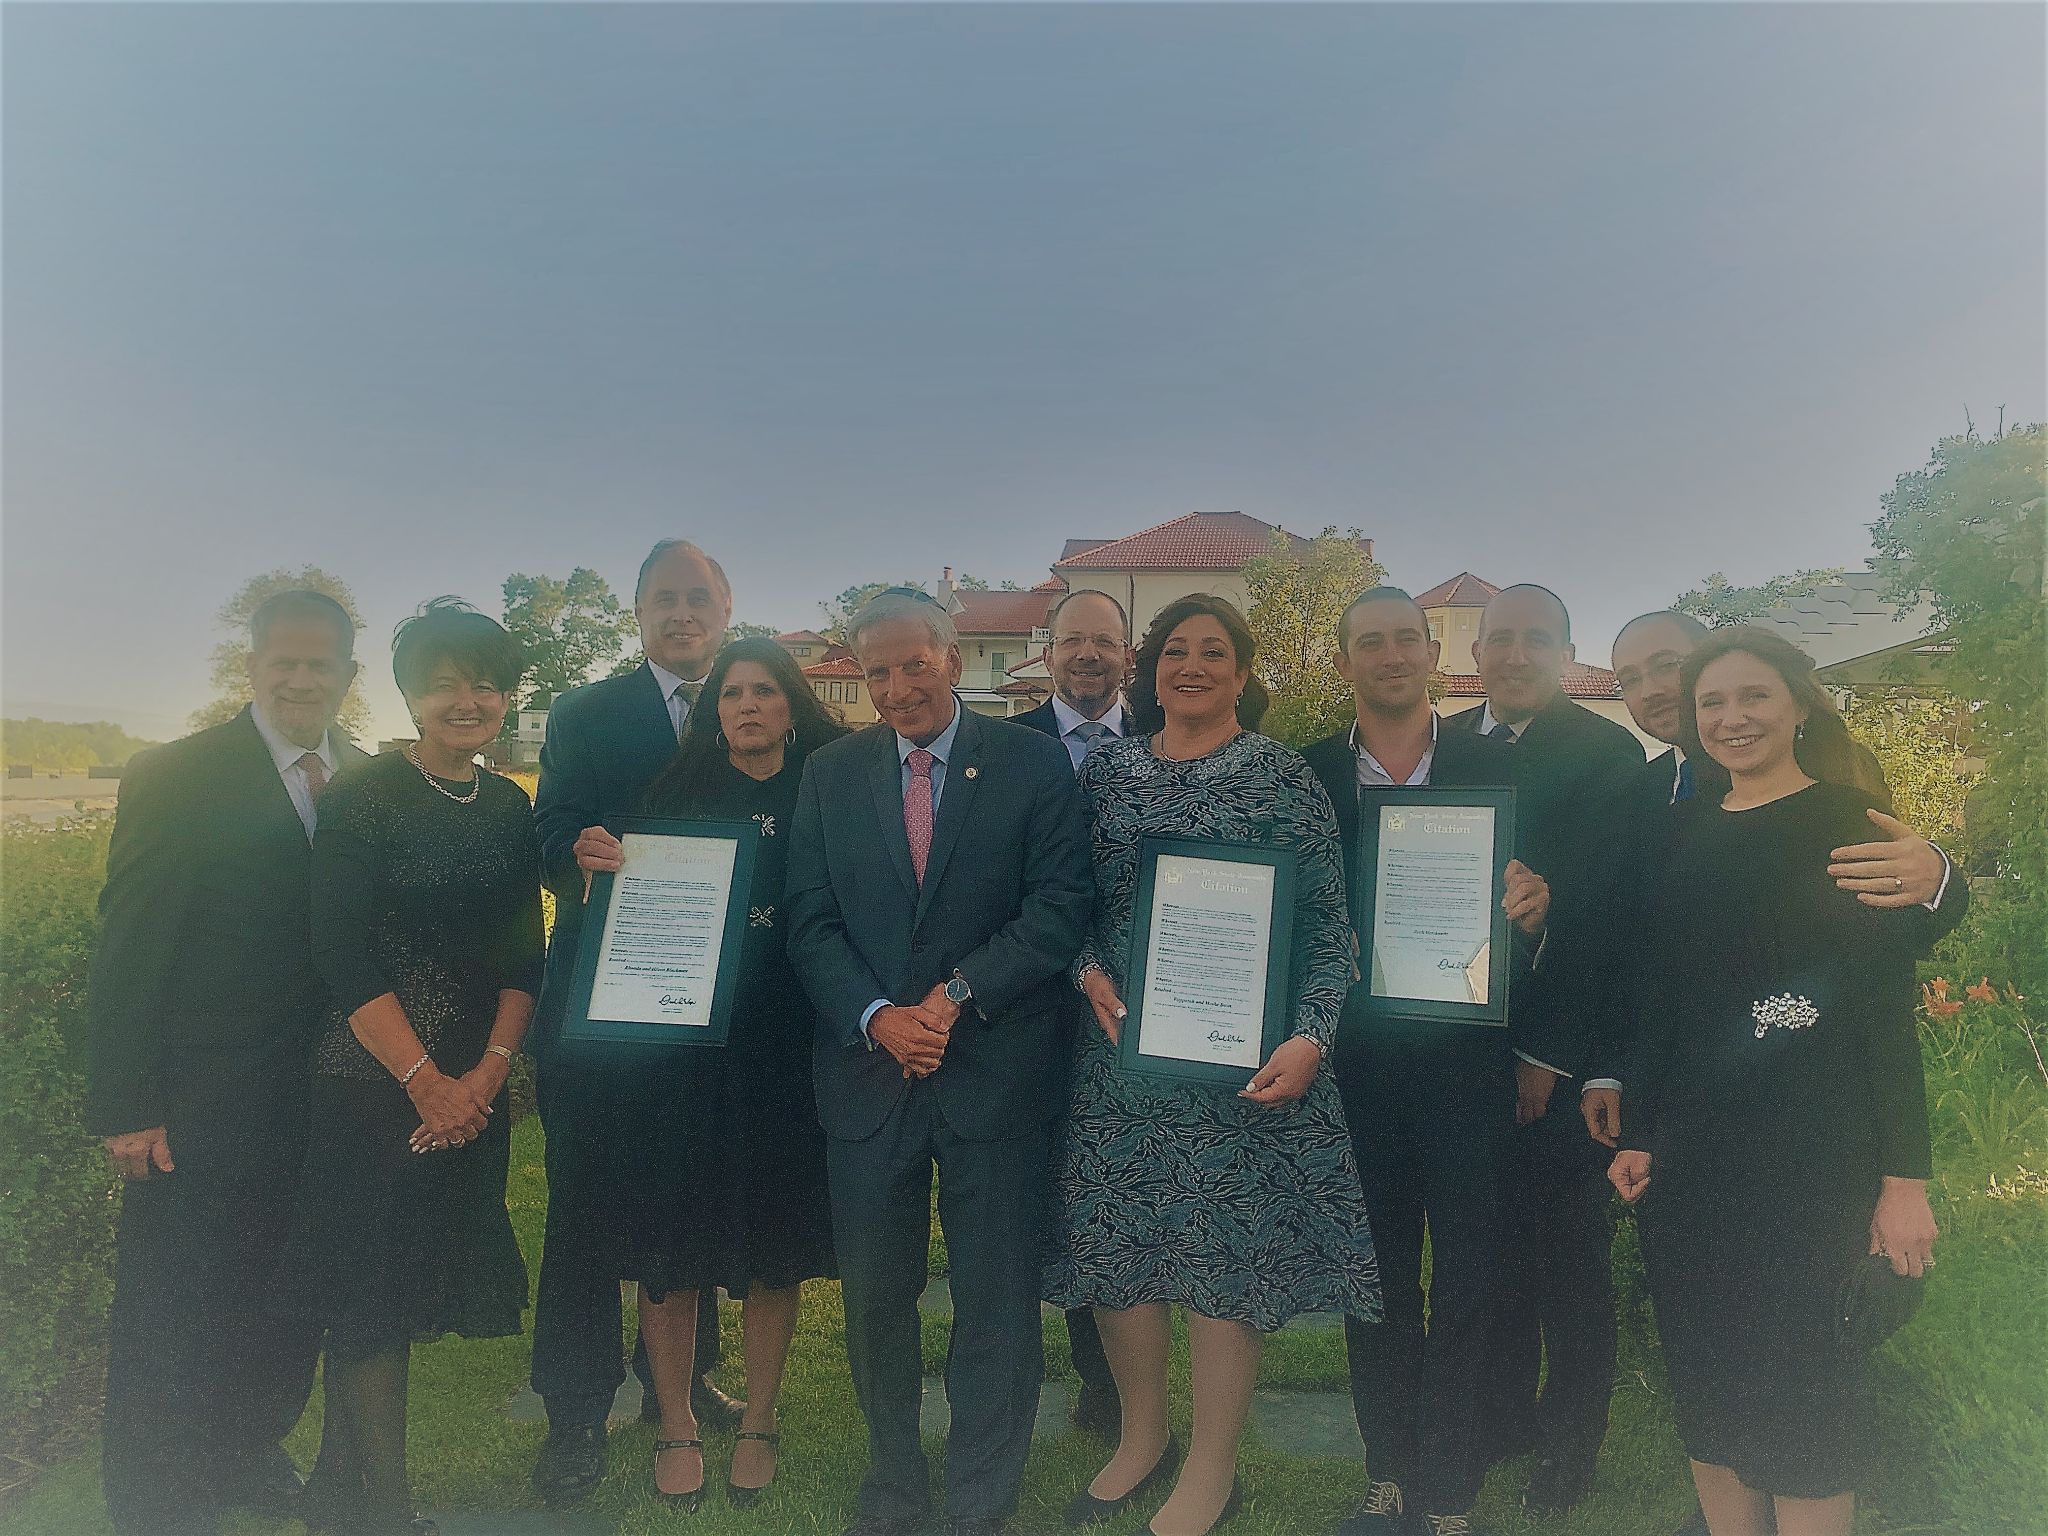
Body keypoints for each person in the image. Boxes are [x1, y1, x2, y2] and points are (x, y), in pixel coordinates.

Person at [1594, 609, 1970, 1536]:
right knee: (1709, 1386)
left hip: (1816, 1159)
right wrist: (1643, 1132)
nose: (1732, 717)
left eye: (1753, 696)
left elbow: (1882, 1011)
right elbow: (1663, 999)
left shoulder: (1845, 823)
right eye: (1712, 701)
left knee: (1807, 1403)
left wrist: (1905, 1182)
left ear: (1800, 705)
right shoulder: (1678, 831)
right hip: (1694, 1164)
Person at [1045, 594, 1381, 1536]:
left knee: (1223, 1256)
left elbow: (1328, 924)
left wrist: (1312, 1035)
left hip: (1242, 1066)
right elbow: (1063, 899)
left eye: (1213, 652)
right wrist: (1084, 969)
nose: (1191, 666)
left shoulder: (1281, 775)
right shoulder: (1107, 772)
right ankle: (1142, 1439)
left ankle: (1212, 1470)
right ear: (1151, 670)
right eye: (1175, 651)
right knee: (1118, 1252)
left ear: (1240, 673)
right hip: (1121, 1060)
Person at [786, 588, 1093, 1536]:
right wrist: (878, 1016)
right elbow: (809, 921)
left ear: (954, 660)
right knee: (876, 1301)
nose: (895, 688)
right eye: (876, 671)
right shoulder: (831, 773)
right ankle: (894, 1484)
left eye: (913, 664)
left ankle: (978, 1499)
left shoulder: (1032, 762)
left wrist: (953, 996)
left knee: (995, 1302)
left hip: (995, 1074)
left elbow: (1058, 906)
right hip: (870, 1078)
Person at [84, 590, 368, 1536]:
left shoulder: (366, 778)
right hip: (201, 1099)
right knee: (175, 1304)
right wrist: (127, 1101)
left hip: (325, 1099)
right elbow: (130, 943)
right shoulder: (177, 775)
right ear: (252, 667)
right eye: (284, 661)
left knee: (285, 1298)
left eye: (320, 663)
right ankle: (157, 1501)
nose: (301, 678)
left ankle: (246, 1450)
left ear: (347, 675)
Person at [548, 638, 846, 1509]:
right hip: (680, 1055)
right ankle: (675, 1421)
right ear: (714, 712)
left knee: (773, 1243)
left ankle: (760, 1419)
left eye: (765, 691)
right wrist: (596, 860)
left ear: (792, 706)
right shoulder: (670, 800)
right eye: (732, 693)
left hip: (785, 1051)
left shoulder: (826, 792)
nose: (748, 705)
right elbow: (624, 911)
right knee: (668, 1241)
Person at [283, 598, 544, 1536]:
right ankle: (387, 1517)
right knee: (371, 1299)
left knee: (408, 1286)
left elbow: (524, 957)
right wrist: (426, 1082)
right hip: (371, 1086)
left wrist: (487, 1077)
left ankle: (336, 1499)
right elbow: (341, 956)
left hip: (471, 1089)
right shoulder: (362, 797)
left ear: (506, 697)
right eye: (444, 684)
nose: (467, 700)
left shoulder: (509, 806)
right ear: (410, 696)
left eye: (486, 684)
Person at [1302, 587, 1549, 1536]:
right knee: (1377, 1279)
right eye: (1371, 642)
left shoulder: (1498, 768)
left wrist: (1535, 911)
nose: (1393, 655)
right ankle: (1389, 1472)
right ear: (1345, 662)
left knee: (1472, 1279)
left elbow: (1541, 909)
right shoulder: (1308, 773)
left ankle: (1449, 1485)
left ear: (1434, 653)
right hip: (1354, 1066)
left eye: (1407, 638)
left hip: (1469, 1066)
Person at [527, 538, 742, 1502]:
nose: (681, 613)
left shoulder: (753, 700)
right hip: (601, 1008)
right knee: (583, 1208)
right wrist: (575, 852)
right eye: (664, 599)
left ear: (726, 609)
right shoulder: (585, 713)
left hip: (714, 1004)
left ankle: (681, 1384)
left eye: (698, 597)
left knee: (691, 1194)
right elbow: (546, 832)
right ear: (640, 613)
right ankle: (576, 1411)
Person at [1442, 583, 1642, 1516]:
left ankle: (1569, 1446)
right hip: (1457, 1045)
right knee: (1489, 1253)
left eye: (1536, 640)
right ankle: (1500, 1420)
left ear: (1565, 654)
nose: (1515, 655)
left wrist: (1554, 1053)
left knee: (1569, 1262)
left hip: (1566, 1056)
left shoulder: (1607, 754)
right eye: (1500, 640)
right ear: (1475, 653)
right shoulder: (1446, 744)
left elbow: (1615, 916)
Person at [1010, 586, 1136, 1437]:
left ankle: (1109, 1379)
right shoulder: (1001, 747)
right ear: (1048, 652)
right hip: (1024, 1006)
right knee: (1027, 1195)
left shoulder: (1166, 741)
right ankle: (1012, 1373)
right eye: (1072, 640)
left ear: (1128, 654)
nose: (1088, 653)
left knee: (1114, 1194)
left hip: (1135, 1008)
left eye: (1104, 640)